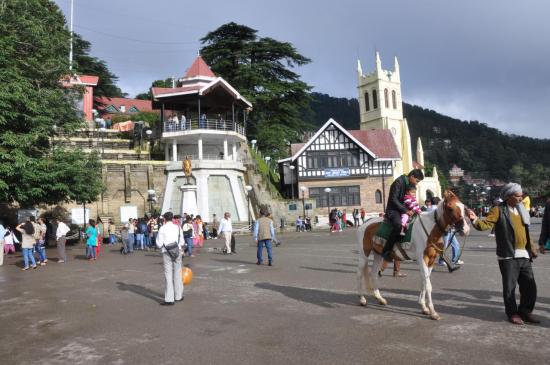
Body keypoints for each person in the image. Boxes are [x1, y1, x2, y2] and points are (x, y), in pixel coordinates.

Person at [467, 182, 540, 325]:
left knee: (530, 287)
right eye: (518, 196)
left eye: (521, 196)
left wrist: (532, 247)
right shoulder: (498, 210)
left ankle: (525, 311)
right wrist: (474, 219)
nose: (521, 198)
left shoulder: (521, 210)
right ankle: (512, 313)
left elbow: (526, 231)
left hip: (524, 254)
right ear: (509, 197)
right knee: (510, 287)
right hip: (508, 255)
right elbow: (485, 225)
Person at [381, 169, 424, 262]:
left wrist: (416, 209)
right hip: (393, 210)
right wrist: (406, 210)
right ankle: (386, 251)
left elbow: (410, 199)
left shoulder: (408, 184)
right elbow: (393, 199)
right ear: (412, 176)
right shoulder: (398, 182)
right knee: (398, 225)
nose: (416, 184)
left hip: (404, 210)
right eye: (417, 181)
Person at [156, 212, 184, 306]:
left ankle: (169, 299)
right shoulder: (178, 227)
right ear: (172, 218)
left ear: (164, 219)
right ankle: (178, 296)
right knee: (178, 273)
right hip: (177, 251)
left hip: (167, 252)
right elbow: (182, 242)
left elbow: (159, 244)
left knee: (168, 275)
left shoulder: (162, 228)